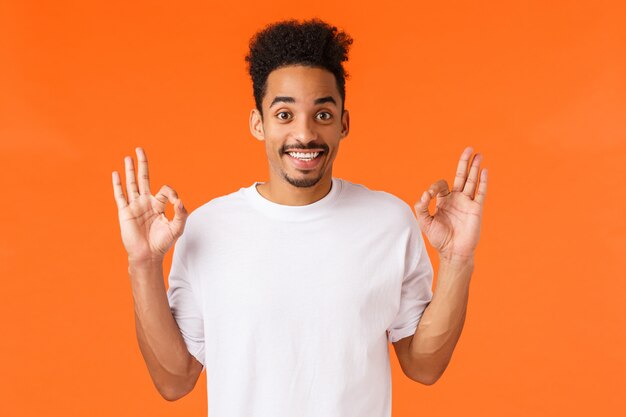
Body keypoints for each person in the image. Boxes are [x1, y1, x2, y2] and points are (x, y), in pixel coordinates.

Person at [111, 18, 487, 417]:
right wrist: (144, 262)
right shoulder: (206, 228)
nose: (304, 133)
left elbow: (424, 366)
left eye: (322, 114)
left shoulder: (389, 222)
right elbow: (174, 380)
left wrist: (457, 259)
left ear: (344, 122)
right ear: (259, 123)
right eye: (284, 114)